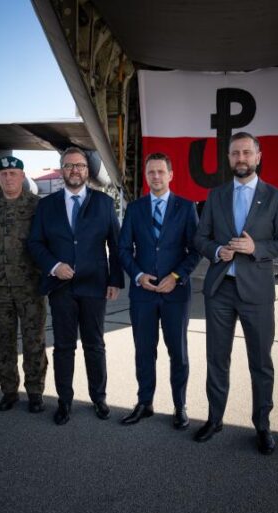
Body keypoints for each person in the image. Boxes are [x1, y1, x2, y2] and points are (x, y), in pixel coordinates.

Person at [193, 132, 278, 455]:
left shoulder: (276, 196)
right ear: (228, 159)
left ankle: (263, 425)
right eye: (235, 153)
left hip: (257, 292)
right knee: (216, 359)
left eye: (246, 153)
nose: (241, 158)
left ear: (258, 156)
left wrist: (256, 248)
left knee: (260, 362)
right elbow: (200, 238)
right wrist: (216, 250)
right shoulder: (215, 196)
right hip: (220, 289)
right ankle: (214, 418)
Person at [27, 147, 124, 425]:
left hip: (95, 286)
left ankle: (99, 398)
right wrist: (54, 266)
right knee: (64, 347)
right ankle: (65, 402)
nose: (75, 170)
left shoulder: (103, 203)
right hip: (61, 288)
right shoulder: (47, 205)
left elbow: (115, 245)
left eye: (80, 165)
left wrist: (115, 280)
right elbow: (35, 242)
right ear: (61, 170)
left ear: (87, 170)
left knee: (95, 345)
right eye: (69, 165)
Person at [118, 153, 200, 429]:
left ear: (170, 174)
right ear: (146, 175)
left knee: (178, 351)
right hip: (143, 294)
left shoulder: (187, 208)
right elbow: (123, 249)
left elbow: (196, 249)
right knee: (144, 350)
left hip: (175, 294)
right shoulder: (134, 208)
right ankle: (145, 402)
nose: (155, 177)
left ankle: (180, 405)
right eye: (151, 172)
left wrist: (176, 276)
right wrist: (138, 276)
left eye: (160, 172)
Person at [0, 156, 49, 413]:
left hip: (30, 287)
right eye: (4, 173)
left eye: (13, 173)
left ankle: (35, 392)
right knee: (0, 341)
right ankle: (8, 391)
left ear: (22, 176)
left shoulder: (37, 206)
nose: (9, 178)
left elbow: (46, 241)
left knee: (34, 342)